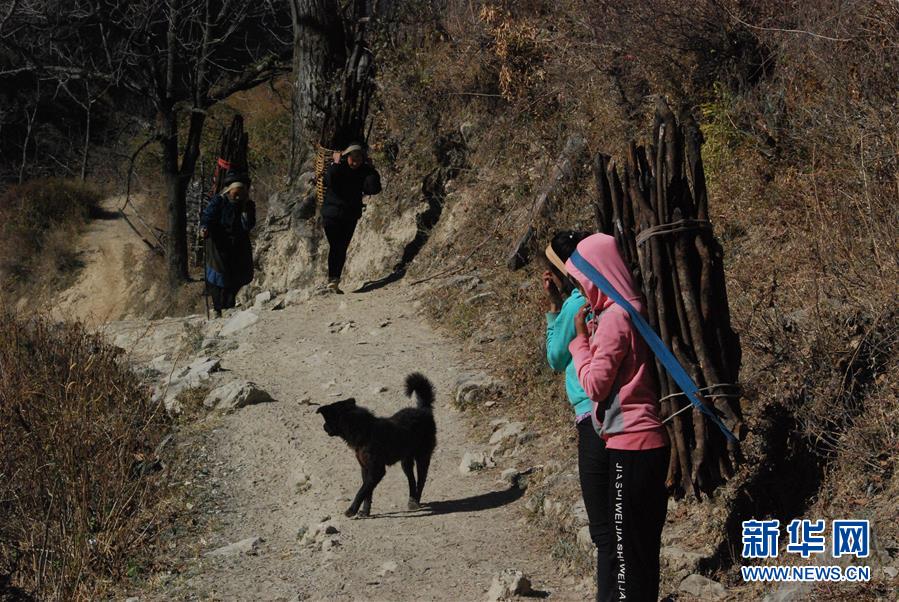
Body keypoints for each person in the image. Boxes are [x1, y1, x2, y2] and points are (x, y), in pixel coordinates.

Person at [565, 233, 670, 602]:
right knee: (643, 550)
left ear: (597, 274)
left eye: (582, 281)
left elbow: (595, 386)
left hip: (630, 445)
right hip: (649, 442)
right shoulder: (634, 307)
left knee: (625, 553)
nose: (582, 290)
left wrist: (579, 343)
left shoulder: (615, 318)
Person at [542, 231, 614, 601]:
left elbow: (556, 358)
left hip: (592, 415)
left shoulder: (576, 306)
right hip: (620, 415)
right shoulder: (611, 296)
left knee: (604, 529)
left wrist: (554, 308)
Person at [321, 142, 382, 293]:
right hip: (331, 214)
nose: (355, 162)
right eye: (352, 159)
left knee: (341, 247)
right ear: (346, 157)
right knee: (336, 246)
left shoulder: (364, 171)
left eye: (358, 159)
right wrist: (335, 163)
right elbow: (328, 181)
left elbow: (373, 189)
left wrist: (371, 169)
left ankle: (334, 280)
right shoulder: (338, 168)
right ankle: (333, 279)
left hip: (350, 215)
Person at [201, 171, 256, 317]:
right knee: (218, 275)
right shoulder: (219, 201)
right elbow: (207, 216)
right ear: (229, 190)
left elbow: (249, 225)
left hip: (238, 245)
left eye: (241, 193)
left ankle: (229, 305)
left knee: (237, 276)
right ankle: (218, 307)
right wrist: (204, 228)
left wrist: (245, 212)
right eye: (235, 193)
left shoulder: (248, 205)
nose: (238, 197)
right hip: (218, 244)